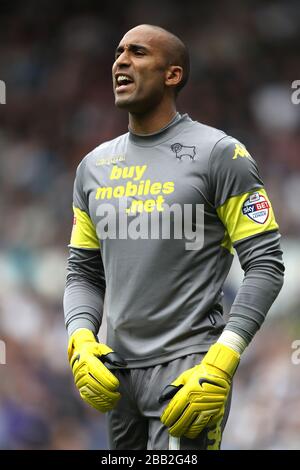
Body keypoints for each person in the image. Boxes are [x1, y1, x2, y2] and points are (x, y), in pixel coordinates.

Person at [63, 24, 284, 450]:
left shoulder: (220, 154)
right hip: (116, 376)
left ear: (173, 74)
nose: (121, 61)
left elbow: (266, 265)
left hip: (189, 373)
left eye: (138, 52)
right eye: (118, 52)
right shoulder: (92, 167)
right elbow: (83, 273)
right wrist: (80, 339)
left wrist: (223, 360)